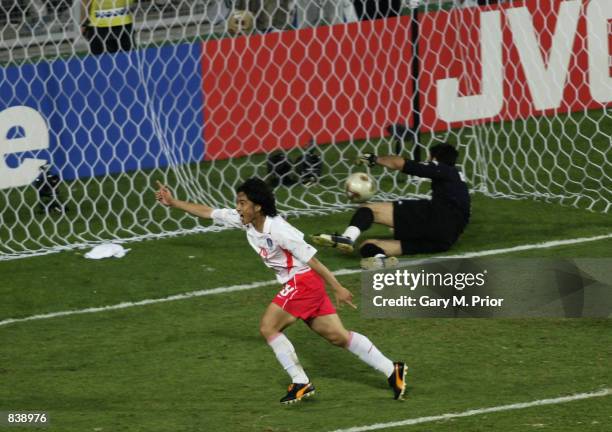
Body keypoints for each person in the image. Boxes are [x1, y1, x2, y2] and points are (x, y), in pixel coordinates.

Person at [155, 178, 407, 404]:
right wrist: (173, 202)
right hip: (305, 285)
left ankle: (300, 382)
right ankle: (391, 369)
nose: (238, 207)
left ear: (258, 206)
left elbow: (313, 260)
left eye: (243, 203)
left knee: (268, 327)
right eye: (238, 202)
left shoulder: (279, 230)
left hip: (303, 282)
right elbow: (209, 212)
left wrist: (338, 287)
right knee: (338, 337)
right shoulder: (247, 221)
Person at [312, 143, 470, 270]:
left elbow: (399, 163)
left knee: (369, 209)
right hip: (445, 240)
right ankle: (380, 261)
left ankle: (347, 238)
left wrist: (375, 159)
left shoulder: (444, 169)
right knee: (368, 246)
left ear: (435, 158)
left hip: (436, 217)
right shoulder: (459, 182)